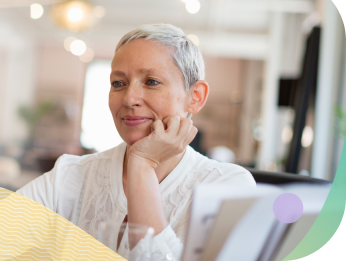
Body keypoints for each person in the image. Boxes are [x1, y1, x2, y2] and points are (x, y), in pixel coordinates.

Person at [17, 24, 256, 260]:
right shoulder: (71, 174)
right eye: (118, 83)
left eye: (152, 81)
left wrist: (142, 164)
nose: (130, 99)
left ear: (195, 97)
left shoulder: (228, 188)